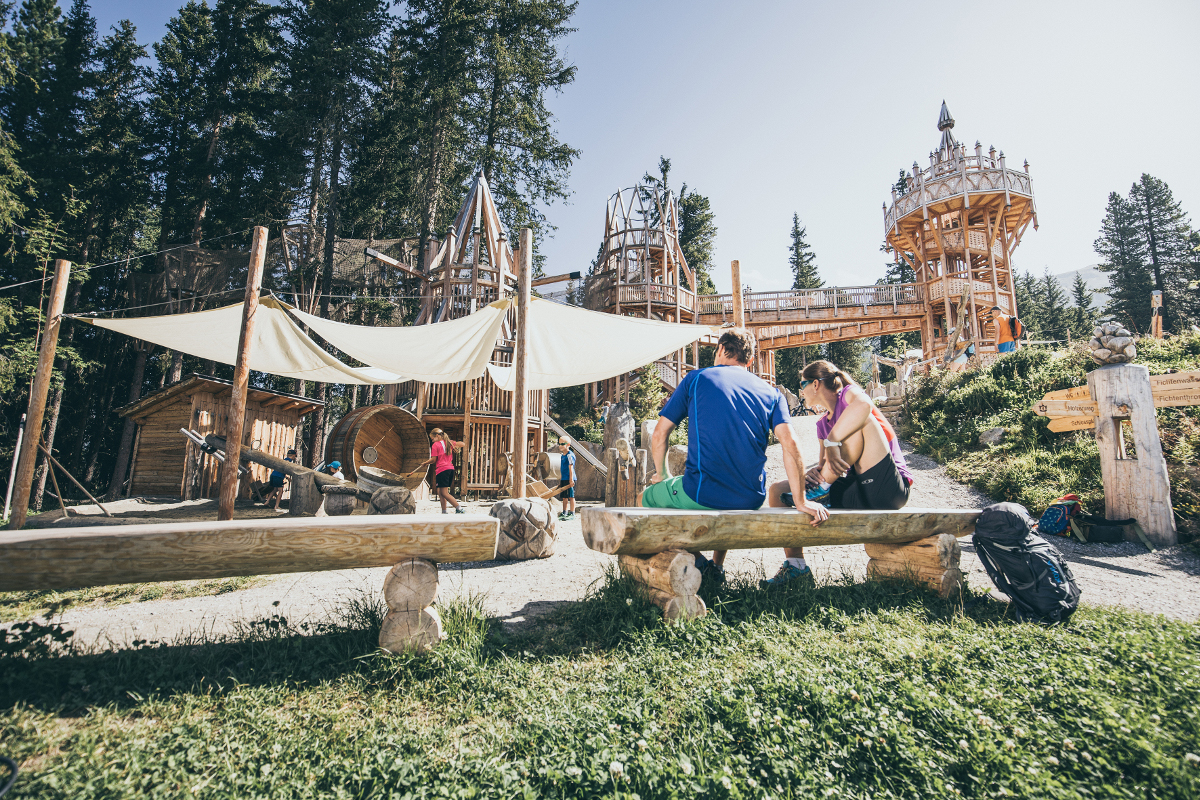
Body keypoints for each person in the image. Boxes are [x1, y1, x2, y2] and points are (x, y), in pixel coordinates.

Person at [644, 328, 827, 584]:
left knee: (646, 499)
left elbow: (659, 434)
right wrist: (800, 500)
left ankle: (699, 562)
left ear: (720, 350)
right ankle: (716, 567)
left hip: (702, 494)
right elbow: (791, 443)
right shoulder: (772, 393)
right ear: (749, 361)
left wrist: (663, 476)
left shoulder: (696, 379)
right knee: (729, 483)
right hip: (750, 497)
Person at [767, 360, 914, 586]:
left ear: (815, 384)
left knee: (863, 420)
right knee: (778, 490)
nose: (801, 391)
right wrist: (812, 474)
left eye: (802, 384)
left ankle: (823, 491)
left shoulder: (848, 394)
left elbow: (865, 405)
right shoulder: (821, 425)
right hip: (856, 489)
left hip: (888, 489)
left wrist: (832, 441)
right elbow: (828, 464)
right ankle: (796, 566)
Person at [412, 428, 465, 514]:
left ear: (437, 436)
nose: (432, 441)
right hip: (450, 469)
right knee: (441, 492)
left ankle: (459, 508)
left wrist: (425, 463)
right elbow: (463, 444)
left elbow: (433, 460)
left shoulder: (436, 445)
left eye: (432, 439)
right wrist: (453, 444)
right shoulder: (449, 443)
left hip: (442, 470)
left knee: (444, 493)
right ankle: (444, 511)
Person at [556, 439, 576, 521]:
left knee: (571, 496)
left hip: (570, 478)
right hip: (564, 478)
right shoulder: (562, 455)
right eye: (559, 444)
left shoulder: (569, 455)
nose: (560, 445)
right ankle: (564, 512)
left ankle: (572, 513)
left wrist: (571, 480)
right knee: (564, 497)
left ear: (568, 444)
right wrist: (561, 478)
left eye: (562, 444)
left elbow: (571, 467)